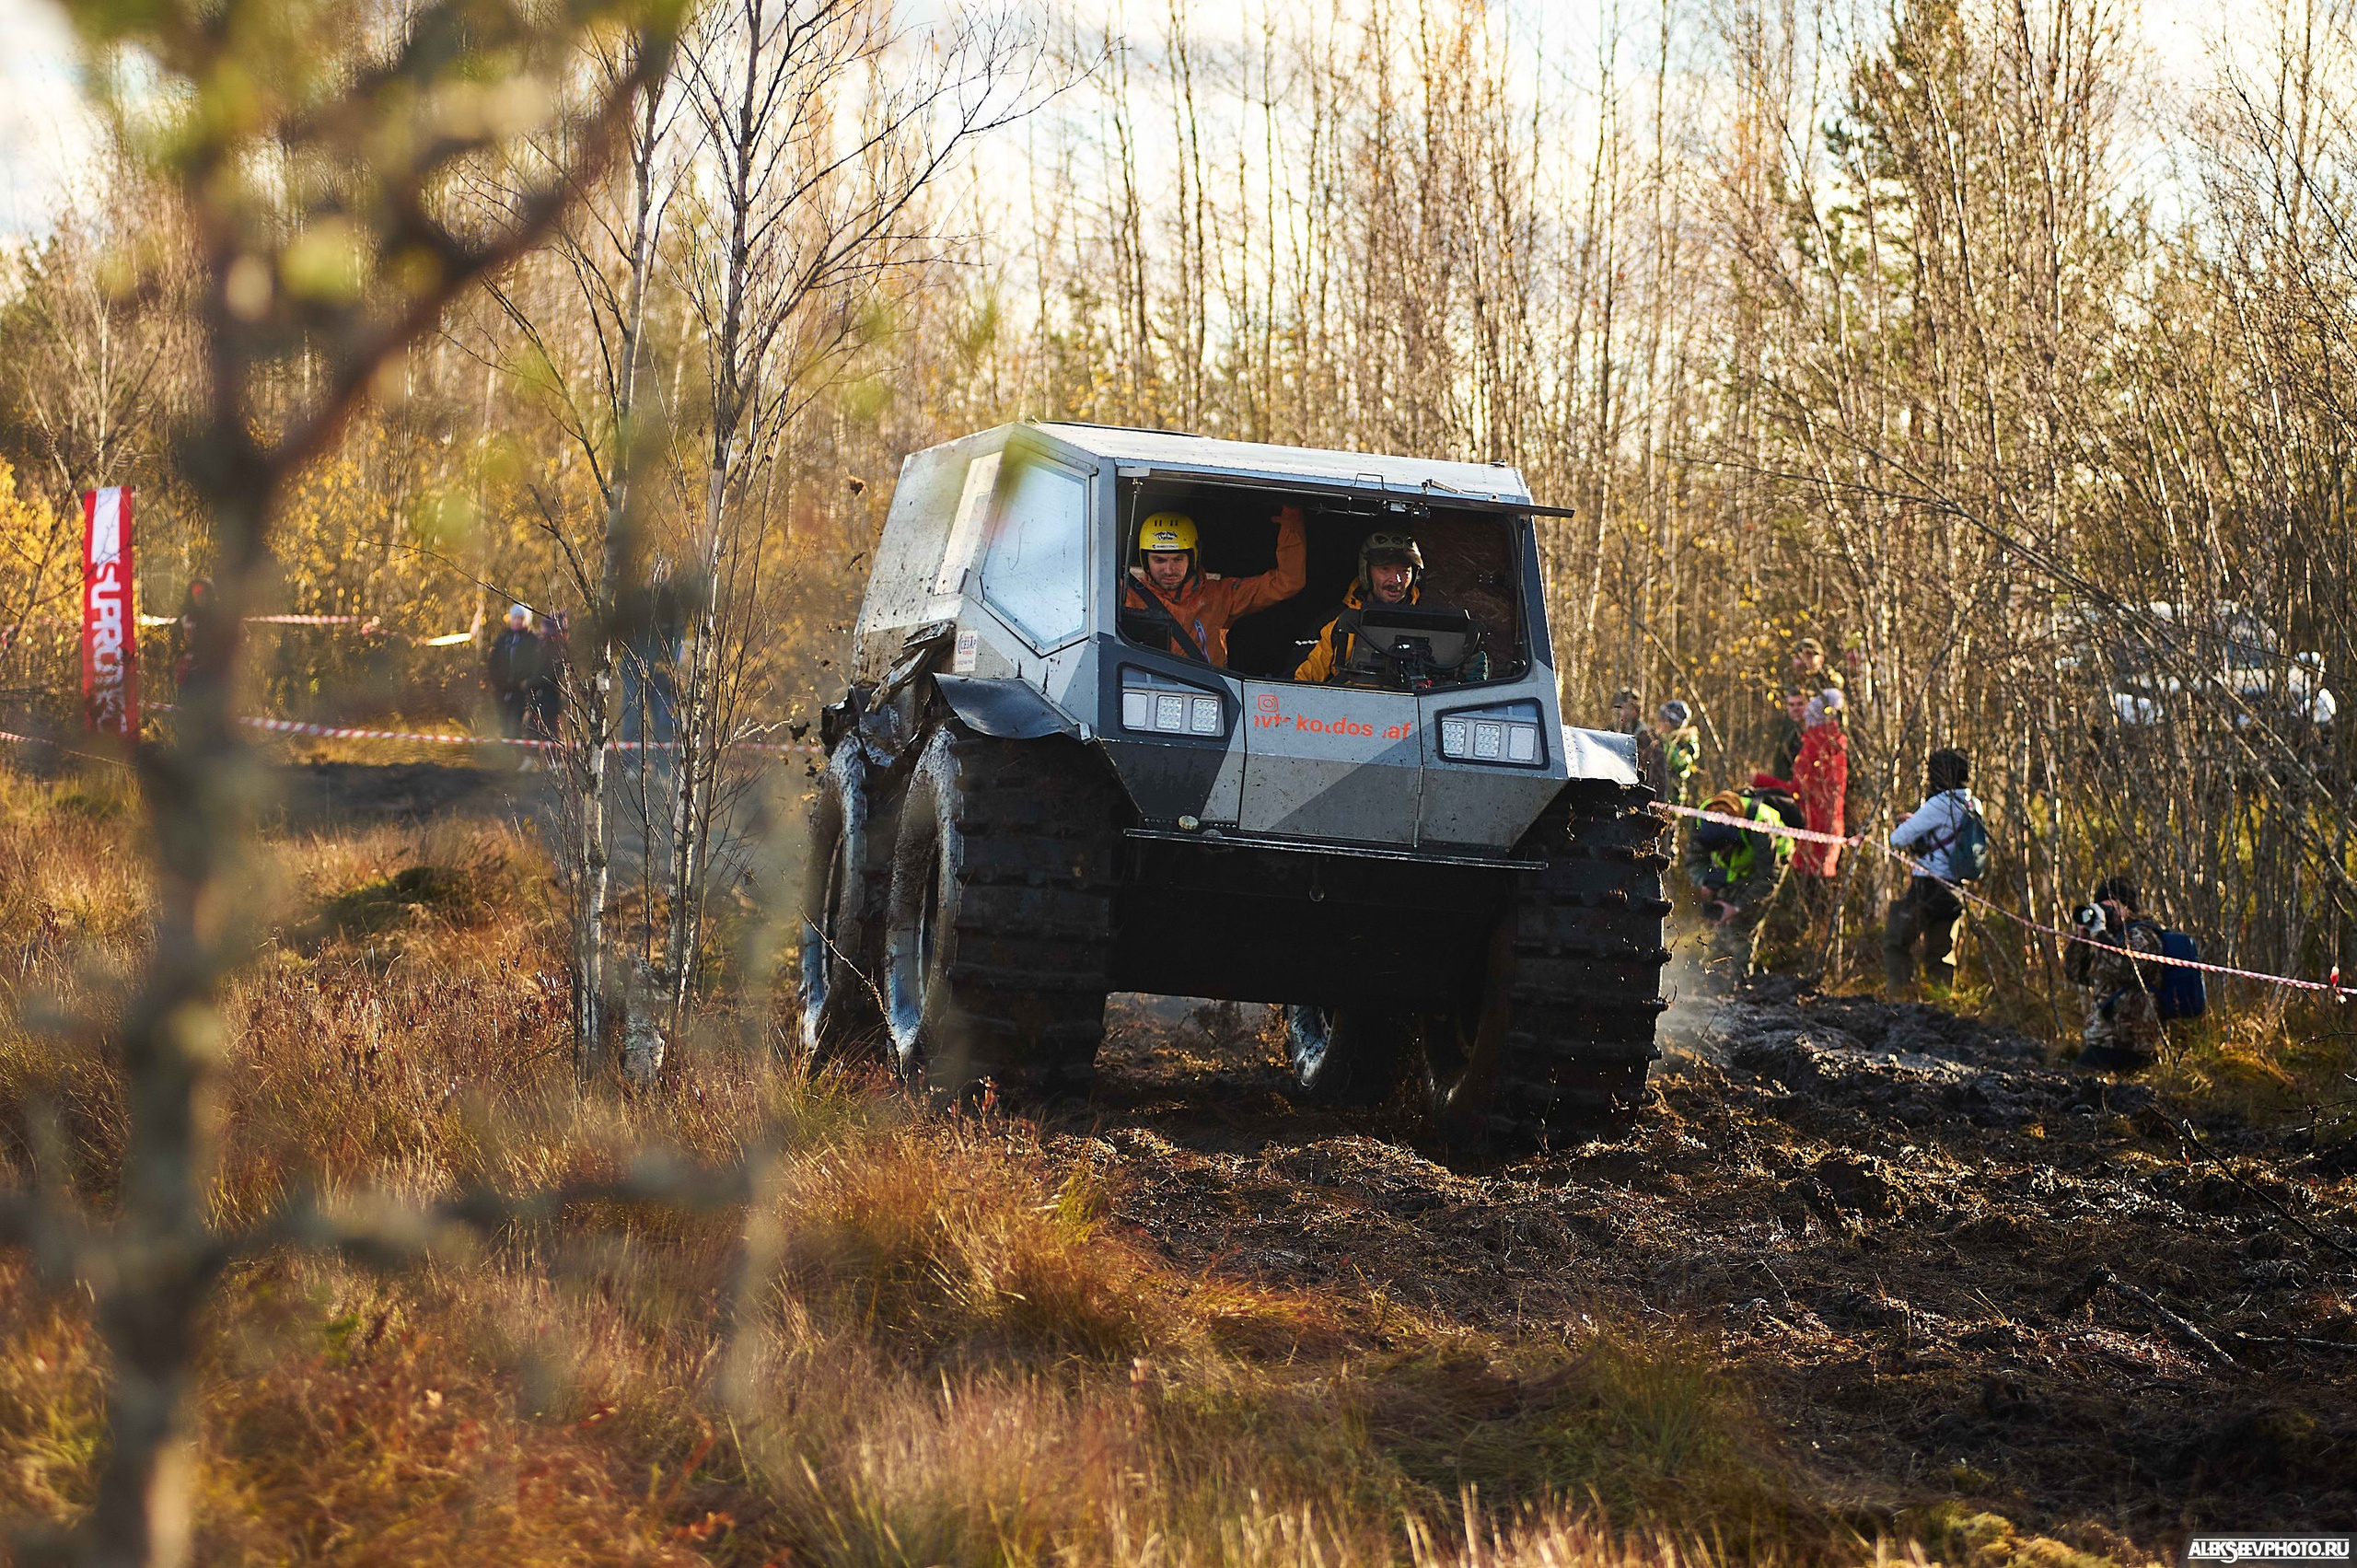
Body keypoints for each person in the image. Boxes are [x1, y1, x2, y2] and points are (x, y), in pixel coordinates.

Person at [1123, 505, 1306, 668]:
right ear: (1145, 560)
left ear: (1193, 557)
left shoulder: (1221, 595)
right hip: (1146, 689)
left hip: (1207, 690)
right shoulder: (1126, 596)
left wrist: (1291, 517)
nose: (1169, 570)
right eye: (1159, 560)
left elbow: (1287, 582)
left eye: (1178, 559)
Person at [1884, 748, 1979, 994]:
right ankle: (1941, 1001)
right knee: (1941, 953)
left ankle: (1899, 996)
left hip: (1927, 887)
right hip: (1955, 888)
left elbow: (1897, 838)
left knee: (1896, 940)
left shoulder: (1941, 803)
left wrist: (1912, 822)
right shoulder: (1972, 803)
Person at [1294, 530, 1439, 684]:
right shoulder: (1334, 622)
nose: (1396, 580)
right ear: (1366, 571)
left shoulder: (1431, 624)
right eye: (1385, 569)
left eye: (1405, 571)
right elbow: (1295, 684)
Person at [1686, 783, 1795, 981]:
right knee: (1720, 920)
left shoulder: (1759, 824)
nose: (1719, 854)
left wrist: (1737, 907)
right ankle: (1714, 971)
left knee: (1743, 923)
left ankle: (1739, 979)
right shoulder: (1702, 817)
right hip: (1737, 865)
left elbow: (1768, 876)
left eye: (1723, 849)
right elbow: (1695, 860)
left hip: (1771, 862)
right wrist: (1705, 881)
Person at [2066, 876, 2167, 1073]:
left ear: (2128, 908)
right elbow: (2076, 973)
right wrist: (2082, 937)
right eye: (2101, 908)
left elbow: (2127, 971)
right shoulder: (2109, 938)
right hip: (2105, 1040)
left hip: (2135, 1043)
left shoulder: (2143, 935)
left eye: (2111, 908)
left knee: (2082, 1076)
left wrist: (2101, 934)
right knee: (2078, 1077)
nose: (2106, 914)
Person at [1791, 690, 1849, 906]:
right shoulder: (1836, 743)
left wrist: (1761, 781)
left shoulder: (1816, 746)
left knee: (1812, 893)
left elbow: (1798, 788)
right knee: (1821, 891)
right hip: (1829, 826)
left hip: (1812, 826)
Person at [486, 602, 546, 741]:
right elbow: (493, 663)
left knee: (518, 726)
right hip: (503, 691)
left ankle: (518, 752)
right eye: (515, 618)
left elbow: (538, 666)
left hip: (523, 693)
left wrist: (528, 683)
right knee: (503, 724)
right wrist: (498, 683)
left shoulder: (534, 640)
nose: (518, 621)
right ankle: (505, 752)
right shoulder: (503, 640)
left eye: (521, 618)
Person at [1610, 687, 1666, 796]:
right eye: (1619, 708)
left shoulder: (1648, 738)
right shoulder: (1610, 732)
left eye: (1626, 708)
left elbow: (1659, 777)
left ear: (1635, 711)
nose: (1621, 713)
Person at [1656, 700, 1701, 806]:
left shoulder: (1683, 742)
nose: (1662, 722)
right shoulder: (1663, 738)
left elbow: (1674, 763)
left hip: (1672, 795)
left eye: (1665, 719)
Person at [1770, 684, 1809, 781]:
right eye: (1791, 705)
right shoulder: (1786, 732)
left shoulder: (1816, 733)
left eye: (1800, 704)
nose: (1795, 709)